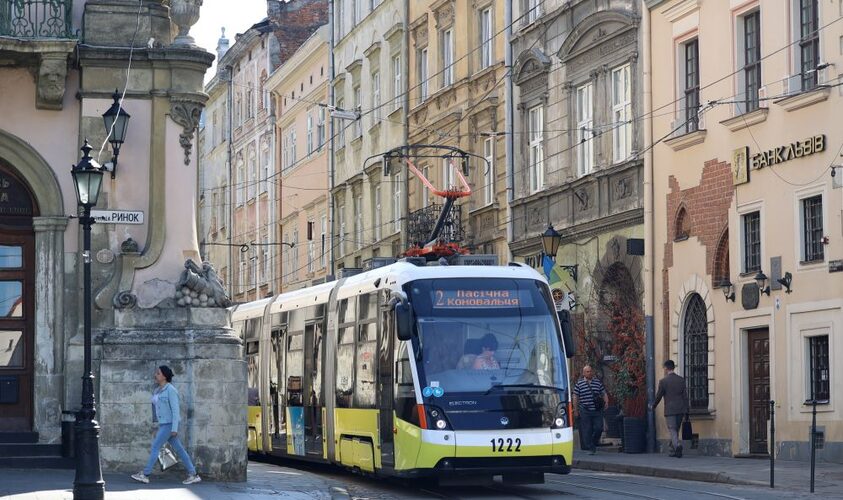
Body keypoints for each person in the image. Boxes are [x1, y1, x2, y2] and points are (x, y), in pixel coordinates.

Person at [132, 365, 201, 485]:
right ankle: (193, 474)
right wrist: (157, 424)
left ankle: (145, 474)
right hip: (163, 424)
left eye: (158, 373)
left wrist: (174, 428)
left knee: (155, 447)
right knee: (179, 450)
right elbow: (156, 409)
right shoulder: (157, 390)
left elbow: (175, 411)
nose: (156, 375)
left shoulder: (171, 390)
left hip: (169, 425)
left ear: (164, 376)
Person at [651, 359, 690, 458]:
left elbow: (659, 396)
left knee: (672, 429)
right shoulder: (681, 380)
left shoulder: (663, 381)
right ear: (674, 367)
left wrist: (653, 405)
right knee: (675, 430)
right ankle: (672, 451)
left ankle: (678, 446)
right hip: (680, 409)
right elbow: (685, 396)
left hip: (670, 409)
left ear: (666, 368)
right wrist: (686, 410)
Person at [572, 365, 608, 455]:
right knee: (587, 430)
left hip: (597, 410)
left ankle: (593, 442)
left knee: (599, 428)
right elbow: (575, 397)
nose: (589, 373)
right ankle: (591, 448)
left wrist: (606, 402)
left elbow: (603, 393)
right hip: (585, 410)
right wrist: (575, 410)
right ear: (584, 373)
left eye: (590, 371)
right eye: (587, 371)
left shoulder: (597, 383)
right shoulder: (579, 384)